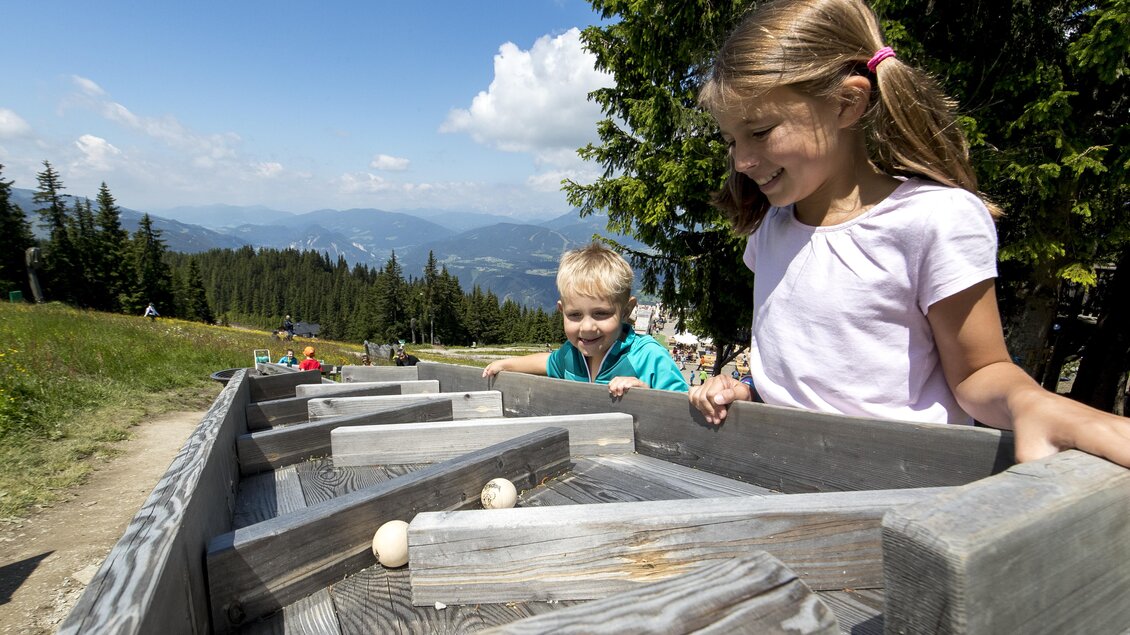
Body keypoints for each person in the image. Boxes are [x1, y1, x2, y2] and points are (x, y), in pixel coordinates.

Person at [689, 0, 1130, 467]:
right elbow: (806, 363)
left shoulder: (933, 219)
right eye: (732, 140)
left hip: (900, 489)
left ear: (847, 103)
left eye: (760, 131)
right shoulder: (772, 230)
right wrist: (750, 386)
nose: (741, 161)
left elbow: (979, 371)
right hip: (781, 480)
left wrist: (1033, 403)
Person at [482, 243, 688, 396]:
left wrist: (646, 394)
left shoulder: (648, 357)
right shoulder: (571, 354)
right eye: (574, 315)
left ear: (626, 311)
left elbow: (681, 408)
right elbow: (547, 361)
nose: (587, 327)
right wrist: (505, 364)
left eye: (601, 313)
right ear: (562, 311)